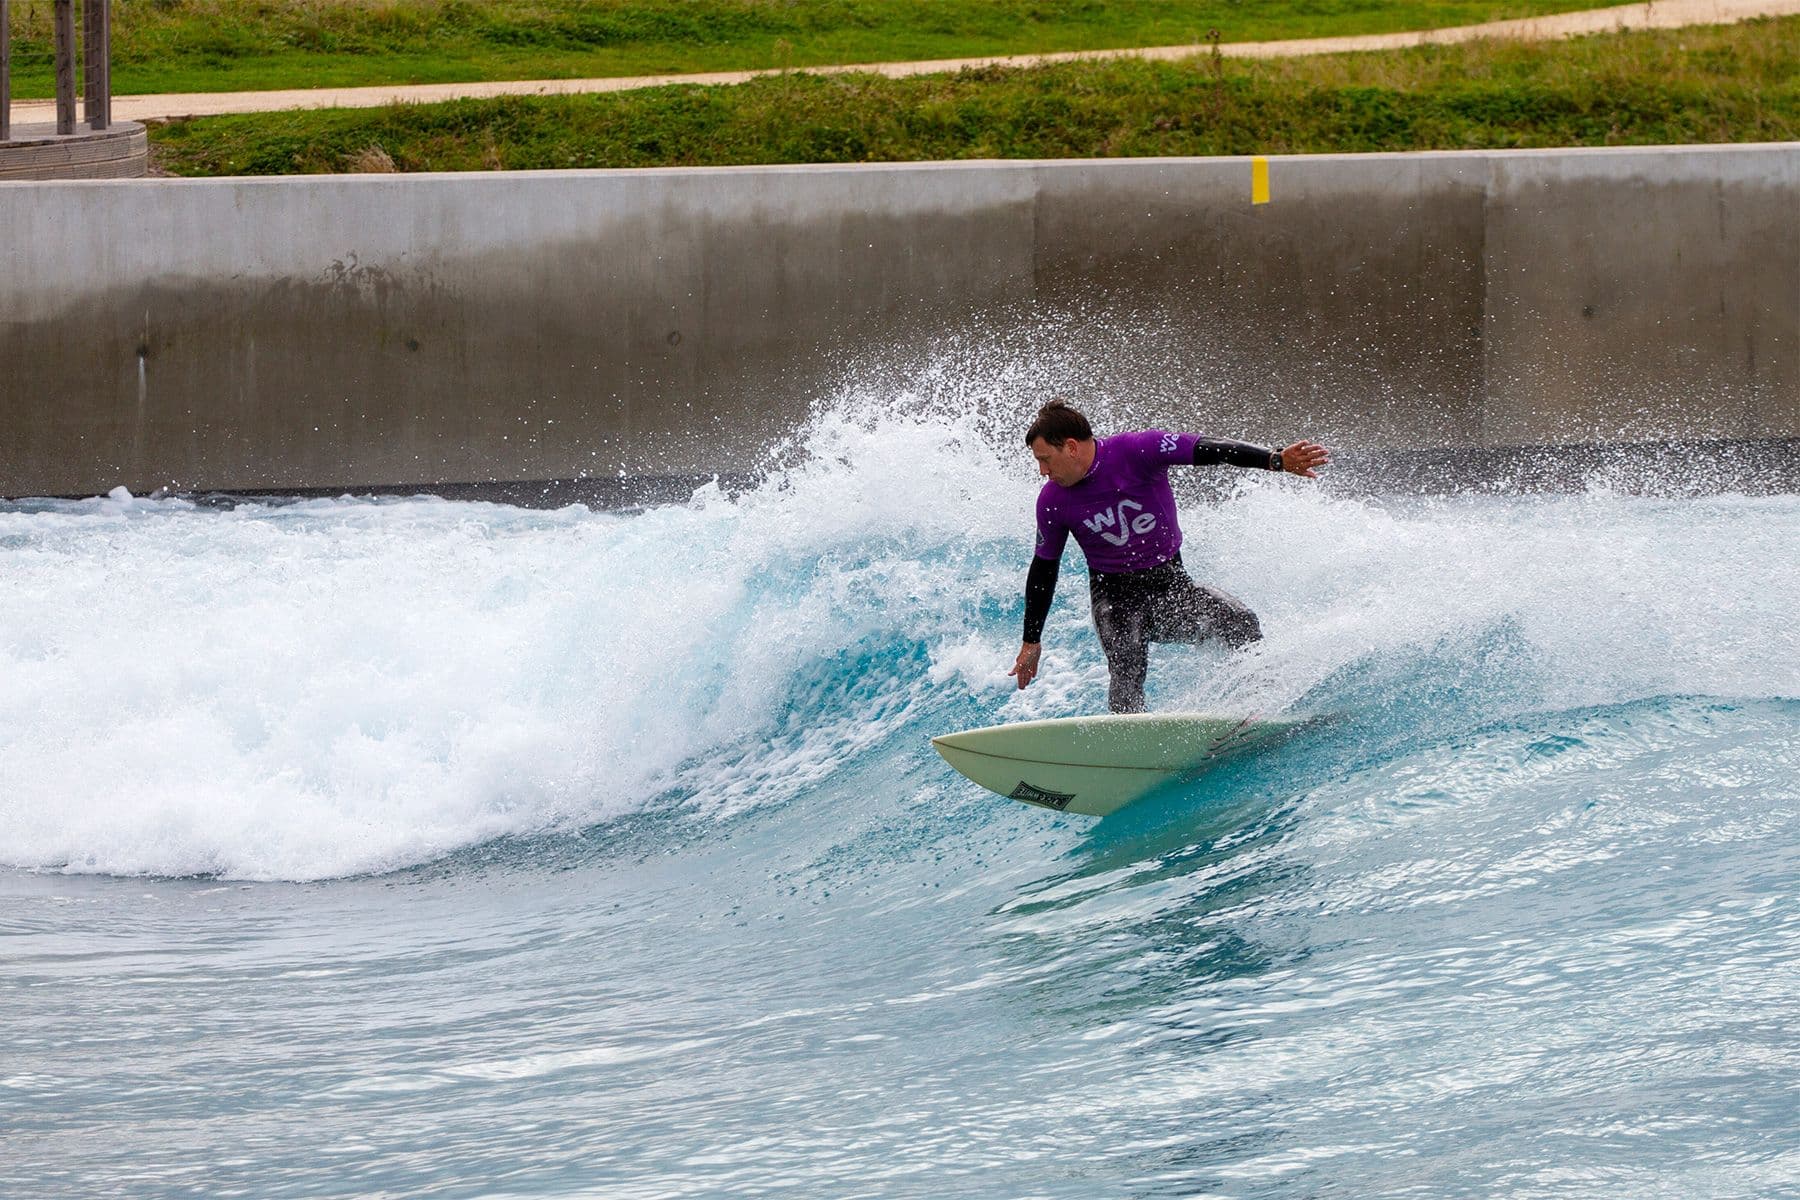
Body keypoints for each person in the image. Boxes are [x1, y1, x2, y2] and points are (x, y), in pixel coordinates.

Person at [1008, 400, 1329, 713]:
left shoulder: (1137, 450)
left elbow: (1210, 448)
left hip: (1173, 589)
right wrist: (1031, 641)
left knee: (1241, 621)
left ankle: (1260, 705)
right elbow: (1044, 569)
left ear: (1071, 447)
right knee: (1127, 664)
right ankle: (1129, 743)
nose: (1042, 470)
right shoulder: (1052, 501)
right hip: (1115, 598)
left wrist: (1274, 460)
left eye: (1046, 459)